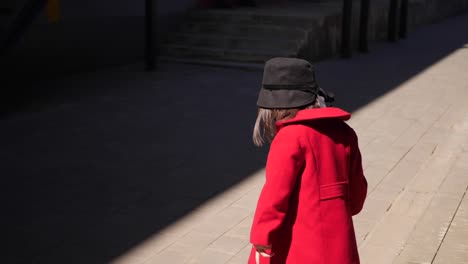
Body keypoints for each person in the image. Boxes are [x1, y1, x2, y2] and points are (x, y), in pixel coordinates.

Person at [249, 57, 367, 264]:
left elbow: (274, 195)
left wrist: (262, 236)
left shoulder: (290, 137)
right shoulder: (345, 134)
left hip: (300, 246)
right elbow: (356, 196)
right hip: (340, 245)